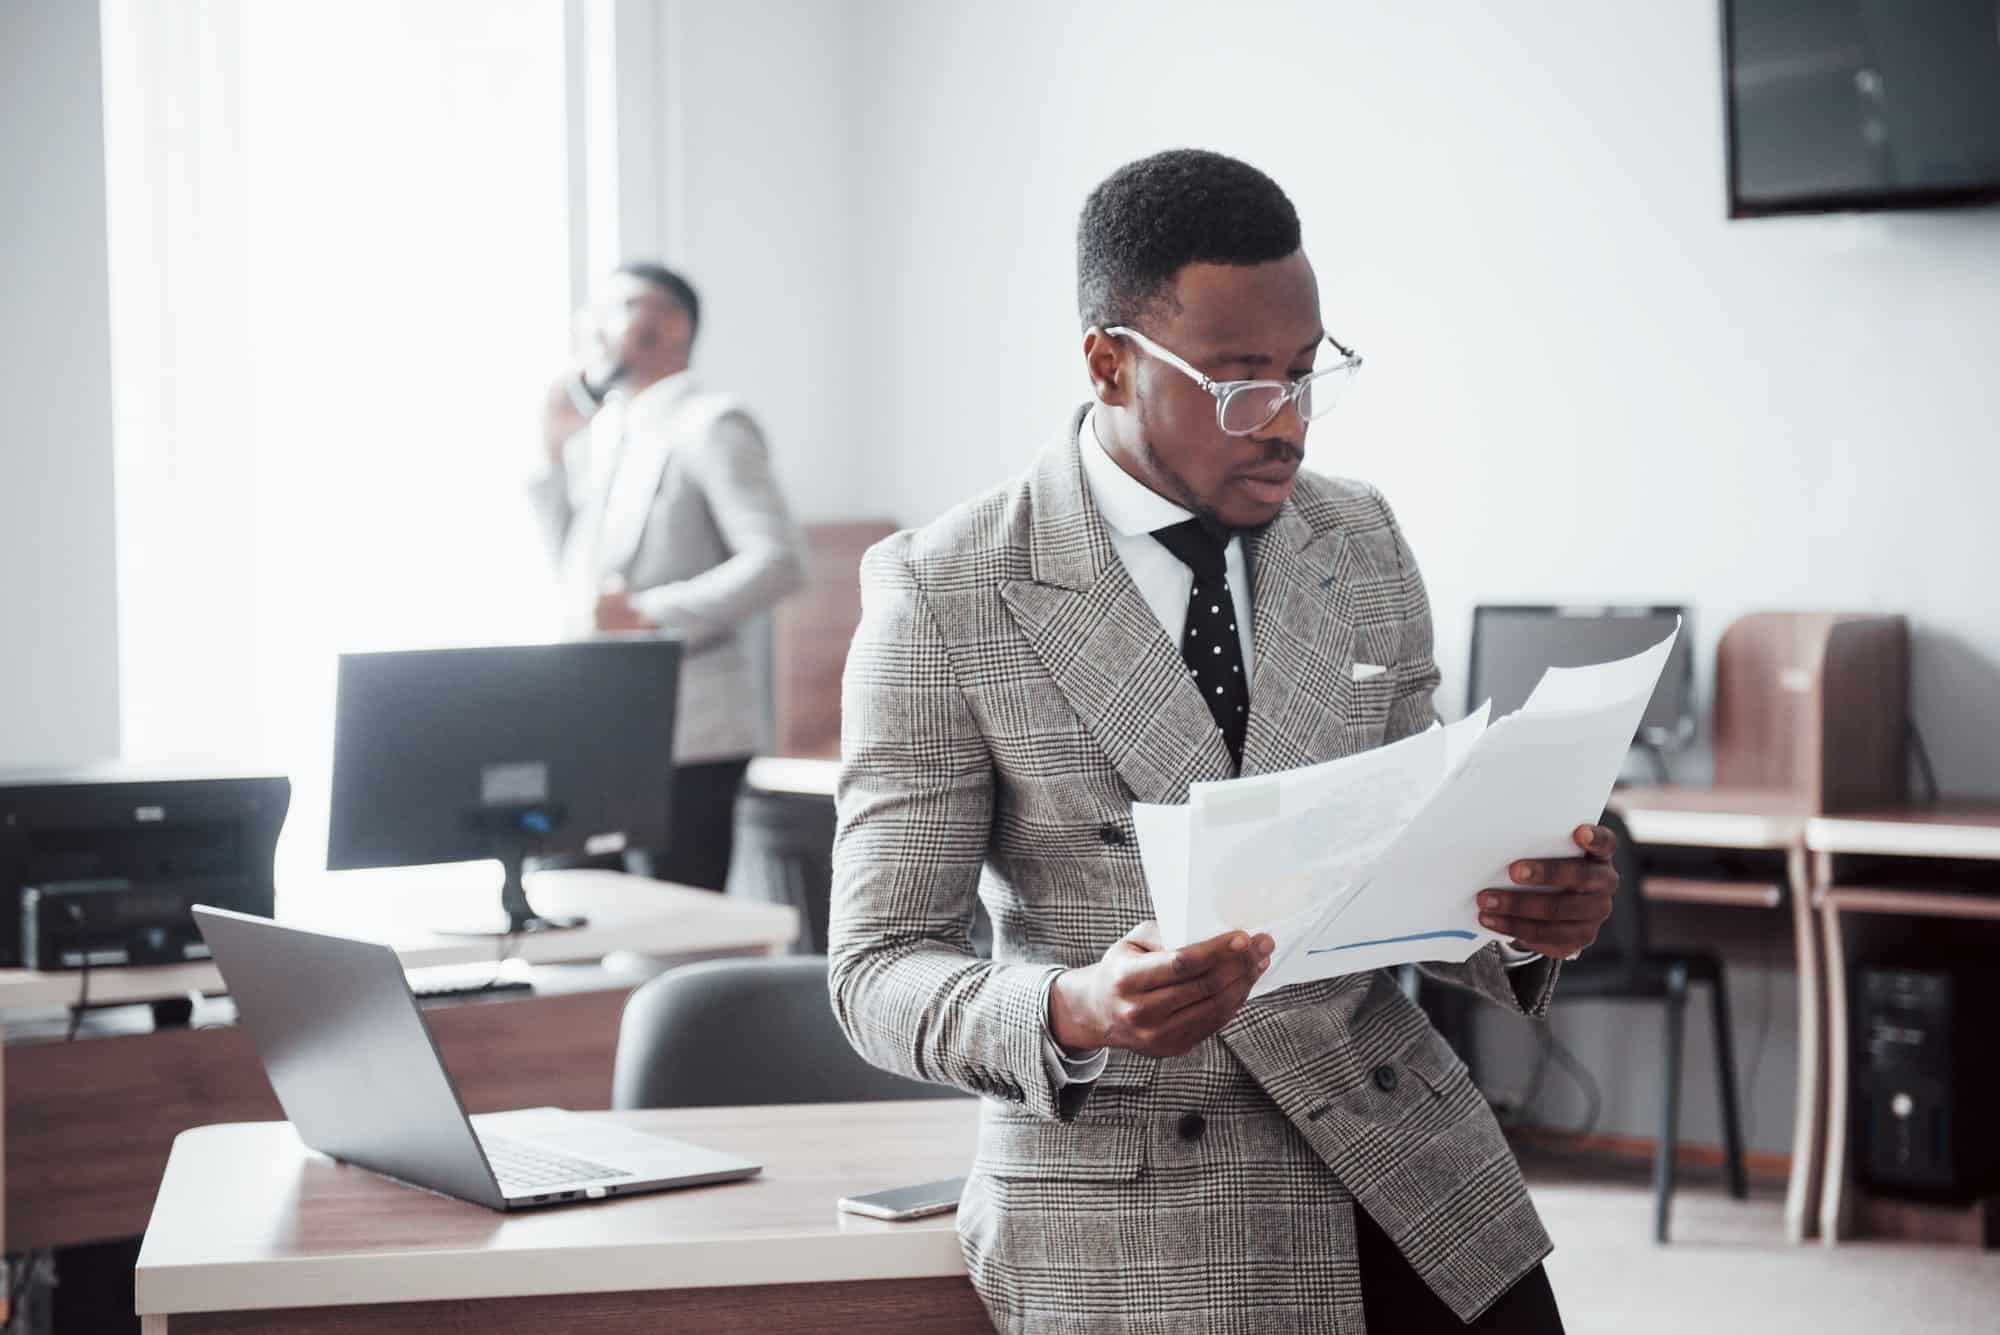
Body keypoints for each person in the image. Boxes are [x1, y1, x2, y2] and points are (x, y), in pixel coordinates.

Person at [829, 150, 1617, 1333]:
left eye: (1306, 375)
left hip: (1407, 1174)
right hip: (1137, 1221)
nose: (1286, 426)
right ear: (1108, 362)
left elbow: (1411, 856)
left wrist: (1520, 911)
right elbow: (875, 969)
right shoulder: (945, 591)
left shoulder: (1353, 538)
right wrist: (1076, 1008)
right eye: (1242, 384)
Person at [532, 261, 804, 892]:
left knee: (677, 924)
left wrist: (652, 613)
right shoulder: (605, 437)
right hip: (597, 722)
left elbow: (779, 560)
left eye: (618, 308)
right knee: (573, 904)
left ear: (672, 325)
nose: (596, 328)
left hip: (691, 732)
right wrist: (552, 455)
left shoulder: (712, 424)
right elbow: (575, 577)